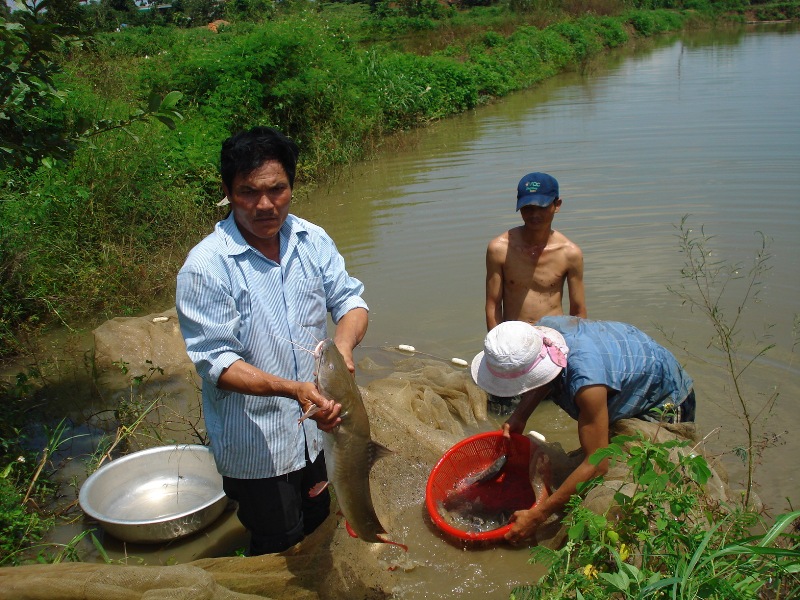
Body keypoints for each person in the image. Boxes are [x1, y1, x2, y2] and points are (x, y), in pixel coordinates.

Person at [175, 126, 369, 555]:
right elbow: (216, 362)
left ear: (291, 186)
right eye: (248, 192)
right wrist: (292, 390)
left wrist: (344, 349)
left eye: (276, 189)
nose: (265, 205)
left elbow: (350, 301)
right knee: (278, 546)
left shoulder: (311, 240)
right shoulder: (206, 267)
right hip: (258, 449)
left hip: (320, 434)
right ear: (227, 190)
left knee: (320, 524)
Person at [471, 316, 695, 544]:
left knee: (654, 486)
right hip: (621, 372)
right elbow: (544, 373)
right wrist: (520, 415)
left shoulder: (587, 384)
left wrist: (538, 515)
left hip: (663, 397)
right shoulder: (543, 334)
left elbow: (598, 463)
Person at [485, 172, 587, 332]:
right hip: (513, 336)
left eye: (542, 207)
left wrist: (576, 346)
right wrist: (496, 343)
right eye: (528, 208)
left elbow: (578, 311)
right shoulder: (499, 249)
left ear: (557, 205)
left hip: (554, 336)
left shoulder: (570, 253)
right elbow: (493, 304)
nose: (534, 215)